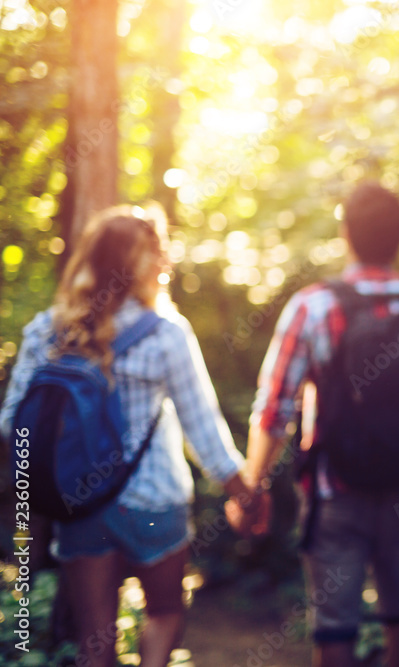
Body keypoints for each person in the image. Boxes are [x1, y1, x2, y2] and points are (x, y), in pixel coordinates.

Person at [0, 203, 267, 667]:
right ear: (148, 265)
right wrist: (244, 495)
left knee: (95, 640)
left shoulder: (48, 330)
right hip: (154, 501)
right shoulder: (165, 334)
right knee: (164, 613)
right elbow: (202, 429)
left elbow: (11, 424)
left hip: (79, 503)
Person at [233, 182, 399, 667]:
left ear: (346, 235)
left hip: (333, 489)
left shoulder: (314, 306)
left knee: (333, 625)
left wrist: (252, 486)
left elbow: (275, 408)